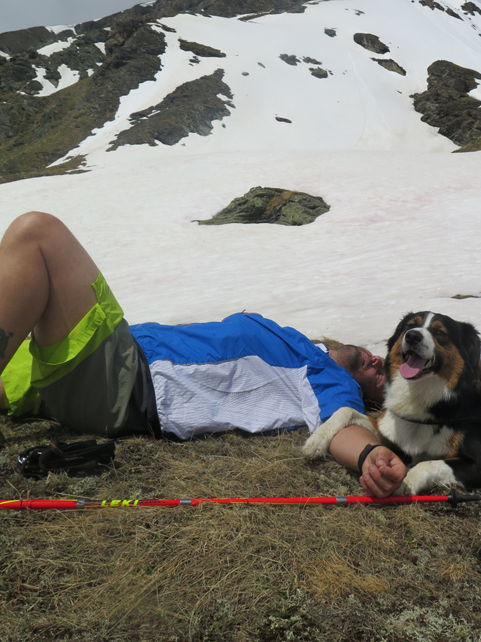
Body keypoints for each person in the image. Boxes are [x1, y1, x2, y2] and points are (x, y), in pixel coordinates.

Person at [0, 212, 406, 497]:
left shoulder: (325, 379)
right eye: (383, 361)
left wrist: (371, 456)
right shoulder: (303, 344)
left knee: (38, 234)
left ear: (370, 396)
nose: (375, 364)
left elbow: (341, 425)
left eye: (381, 380)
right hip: (101, 368)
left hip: (127, 383)